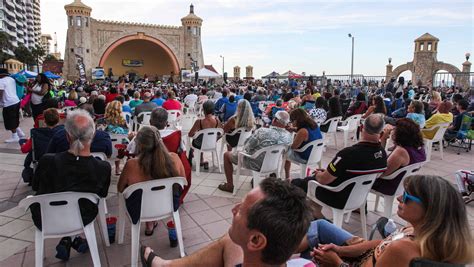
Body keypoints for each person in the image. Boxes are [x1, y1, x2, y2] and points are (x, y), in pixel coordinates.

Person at [299, 175, 472, 266]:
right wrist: (341, 250)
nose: (398, 198)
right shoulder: (424, 232)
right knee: (320, 226)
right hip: (367, 256)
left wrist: (336, 263)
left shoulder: (404, 249)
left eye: (406, 197)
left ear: (430, 209)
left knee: (312, 253)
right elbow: (383, 242)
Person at [141, 177, 312, 267]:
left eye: (240, 210)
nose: (233, 210)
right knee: (231, 241)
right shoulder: (306, 264)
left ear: (255, 240)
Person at [31, 109, 111, 261]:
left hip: (46, 218)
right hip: (83, 217)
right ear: (92, 135)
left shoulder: (47, 161)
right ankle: (73, 238)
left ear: (67, 136)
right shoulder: (103, 168)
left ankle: (70, 239)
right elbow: (102, 194)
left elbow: (36, 186)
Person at [291, 114, 387, 219]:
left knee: (300, 183)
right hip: (358, 197)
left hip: (338, 196)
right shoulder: (382, 155)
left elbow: (323, 180)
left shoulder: (348, 154)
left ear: (362, 128)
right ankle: (315, 210)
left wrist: (319, 174)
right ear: (381, 133)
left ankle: (312, 215)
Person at [118, 125, 185, 235]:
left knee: (139, 195)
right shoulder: (174, 158)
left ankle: (149, 223)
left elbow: (120, 189)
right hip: (169, 205)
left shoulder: (132, 165)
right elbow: (183, 183)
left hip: (140, 211)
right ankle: (152, 222)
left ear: (138, 144)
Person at [219, 111, 293, 193]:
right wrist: (287, 177)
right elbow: (287, 157)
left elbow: (247, 146)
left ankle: (230, 185)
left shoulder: (262, 131)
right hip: (273, 165)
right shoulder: (288, 136)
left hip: (254, 163)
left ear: (275, 120)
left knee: (226, 155)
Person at [372, 118, 426, 195]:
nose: (392, 131)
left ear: (400, 134)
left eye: (394, 129)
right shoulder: (419, 148)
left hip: (388, 185)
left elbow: (381, 172)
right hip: (401, 184)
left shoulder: (401, 152)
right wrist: (384, 139)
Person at [20, 108, 63, 184]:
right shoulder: (64, 131)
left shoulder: (36, 133)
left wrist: (22, 143)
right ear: (58, 119)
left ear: (45, 121)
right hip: (60, 158)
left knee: (28, 147)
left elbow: (24, 149)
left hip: (42, 159)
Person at [285, 108, 323, 179]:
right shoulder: (314, 125)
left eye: (292, 121)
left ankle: (287, 177)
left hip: (306, 157)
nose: (292, 123)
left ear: (296, 120)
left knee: (285, 153)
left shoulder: (303, 131)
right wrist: (294, 129)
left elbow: (294, 147)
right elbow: (306, 133)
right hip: (316, 155)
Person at [188, 100, 221, 169]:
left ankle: (193, 153)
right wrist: (216, 139)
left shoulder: (199, 122)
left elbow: (190, 134)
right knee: (202, 137)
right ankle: (201, 160)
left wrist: (196, 134)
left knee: (199, 137)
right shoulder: (217, 122)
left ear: (203, 110)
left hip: (199, 144)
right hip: (212, 144)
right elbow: (222, 132)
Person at [0, 68, 25, 143]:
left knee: (9, 120)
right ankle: (20, 133)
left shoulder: (1, 81)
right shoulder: (11, 79)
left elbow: (0, 93)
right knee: (14, 118)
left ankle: (15, 136)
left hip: (8, 103)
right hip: (16, 101)